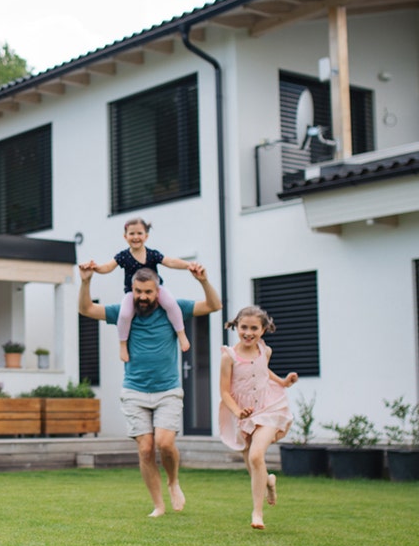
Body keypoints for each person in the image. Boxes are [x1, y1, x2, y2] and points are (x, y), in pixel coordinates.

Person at [78, 260, 222, 517]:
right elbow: (86, 309)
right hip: (134, 390)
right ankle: (158, 505)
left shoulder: (174, 309)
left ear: (158, 291)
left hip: (167, 389)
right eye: (138, 292)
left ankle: (173, 481)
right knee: (145, 448)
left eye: (148, 292)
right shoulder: (125, 312)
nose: (143, 297)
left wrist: (203, 281)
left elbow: (214, 305)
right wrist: (87, 280)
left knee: (165, 444)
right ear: (132, 290)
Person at [218, 305, 297, 530]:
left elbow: (264, 371)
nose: (248, 333)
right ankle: (269, 481)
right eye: (244, 327)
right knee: (253, 465)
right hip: (242, 412)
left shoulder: (265, 350)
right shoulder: (229, 357)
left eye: (254, 328)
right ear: (236, 327)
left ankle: (257, 513)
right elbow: (224, 391)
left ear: (263, 330)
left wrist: (282, 382)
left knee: (255, 456)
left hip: (269, 407)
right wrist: (237, 412)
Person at [86, 218, 194, 362]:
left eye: (139, 233)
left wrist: (189, 265)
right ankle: (123, 344)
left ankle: (181, 334)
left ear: (146, 236)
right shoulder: (123, 256)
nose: (135, 237)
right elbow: (107, 267)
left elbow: (171, 262)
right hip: (133, 293)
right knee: (124, 315)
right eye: (131, 234)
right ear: (125, 237)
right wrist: (96, 268)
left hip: (156, 289)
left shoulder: (152, 254)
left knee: (172, 304)